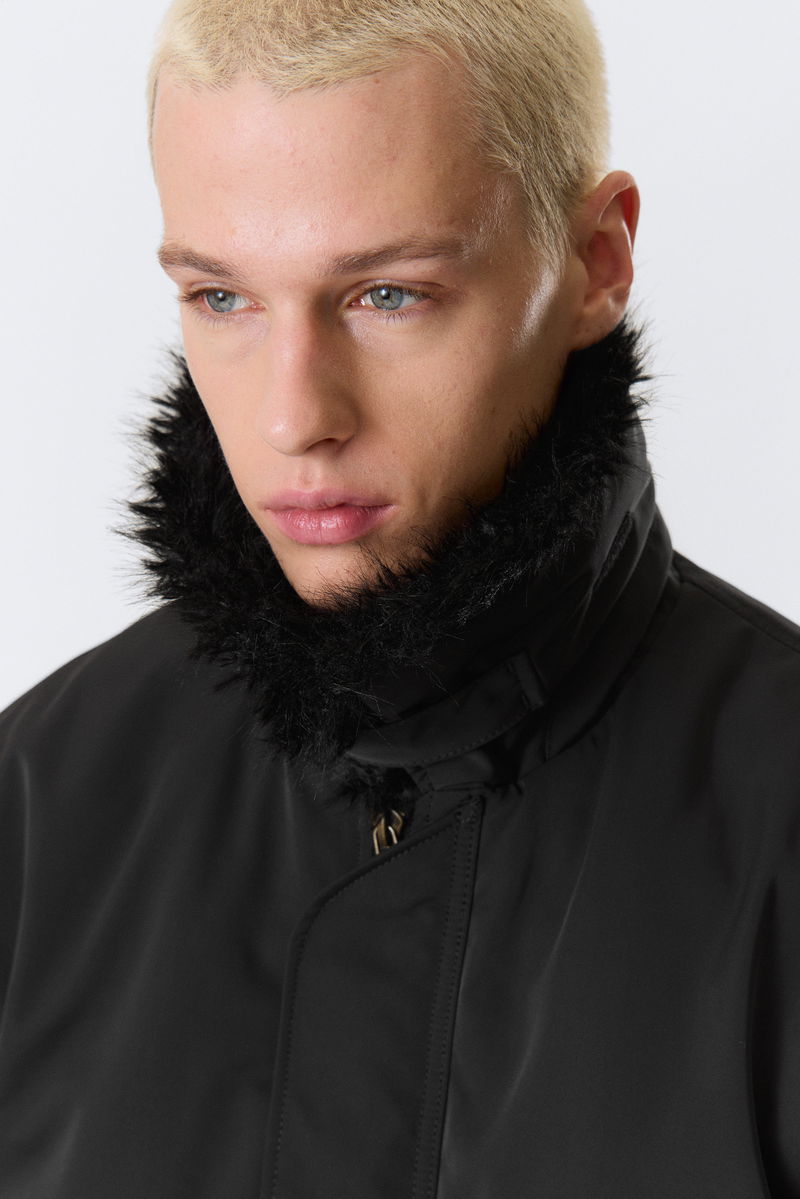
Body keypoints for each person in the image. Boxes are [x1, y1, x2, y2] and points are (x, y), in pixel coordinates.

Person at [1, 0, 798, 1195]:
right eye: (222, 298)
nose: (292, 418)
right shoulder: (40, 803)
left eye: (387, 294)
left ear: (595, 262)